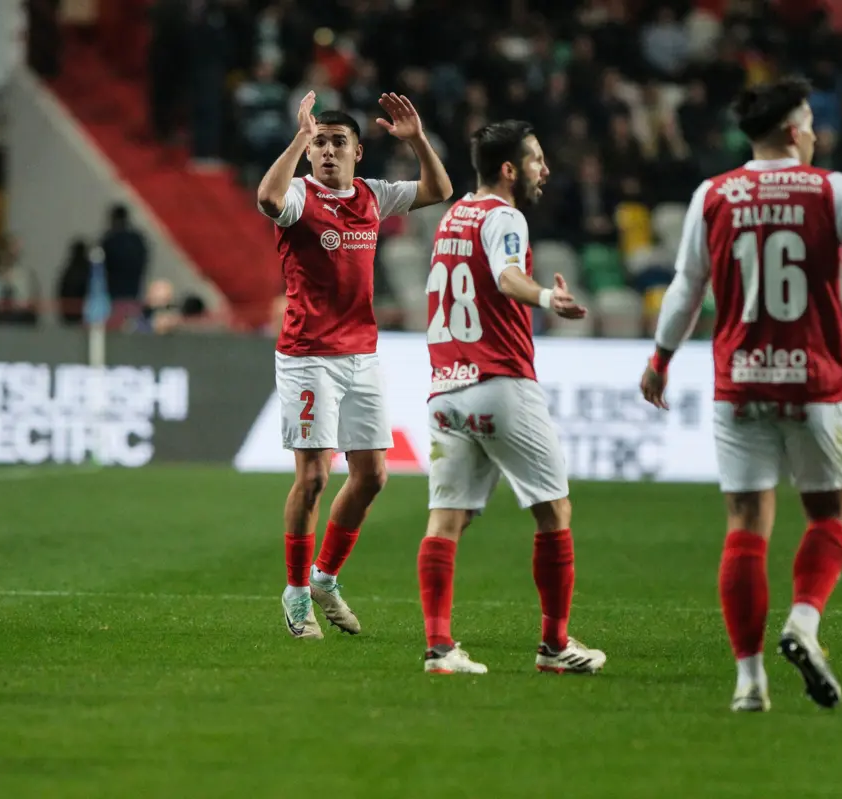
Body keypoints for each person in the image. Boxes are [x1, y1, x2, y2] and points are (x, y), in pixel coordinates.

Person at [641, 77, 842, 712]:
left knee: (745, 527)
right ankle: (805, 623)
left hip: (738, 385)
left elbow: (685, 288)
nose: (816, 134)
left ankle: (749, 682)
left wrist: (660, 360)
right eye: (810, 123)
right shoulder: (831, 189)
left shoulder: (714, 194)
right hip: (813, 385)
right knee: (829, 515)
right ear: (793, 131)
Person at [256, 91, 453, 639]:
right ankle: (296, 593)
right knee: (315, 475)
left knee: (372, 475)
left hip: (361, 354)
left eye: (336, 142)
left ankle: (325, 577)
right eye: (319, 143)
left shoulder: (373, 196)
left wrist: (415, 140)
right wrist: (297, 137)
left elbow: (439, 189)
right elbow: (268, 198)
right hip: (307, 356)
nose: (326, 151)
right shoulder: (299, 194)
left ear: (358, 153)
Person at [418, 120, 607, 676]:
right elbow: (506, 278)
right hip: (499, 383)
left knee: (445, 519)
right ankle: (554, 646)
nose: (544, 170)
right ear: (508, 169)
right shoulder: (505, 216)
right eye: (536, 160)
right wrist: (548, 295)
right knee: (554, 511)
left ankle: (439, 648)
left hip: (445, 393)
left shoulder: (452, 217)